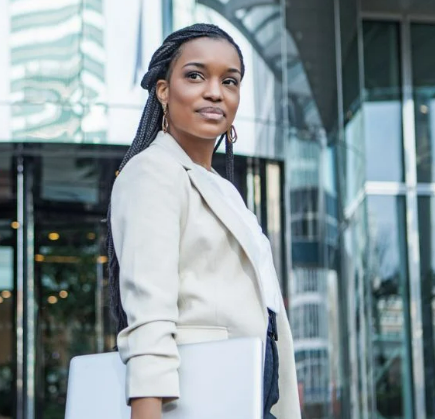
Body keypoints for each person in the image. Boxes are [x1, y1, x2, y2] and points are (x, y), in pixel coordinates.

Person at [106, 23, 300, 419]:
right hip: (198, 398)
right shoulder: (152, 172)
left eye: (230, 81)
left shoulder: (224, 191)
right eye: (195, 75)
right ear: (163, 90)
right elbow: (150, 314)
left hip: (253, 395)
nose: (215, 91)